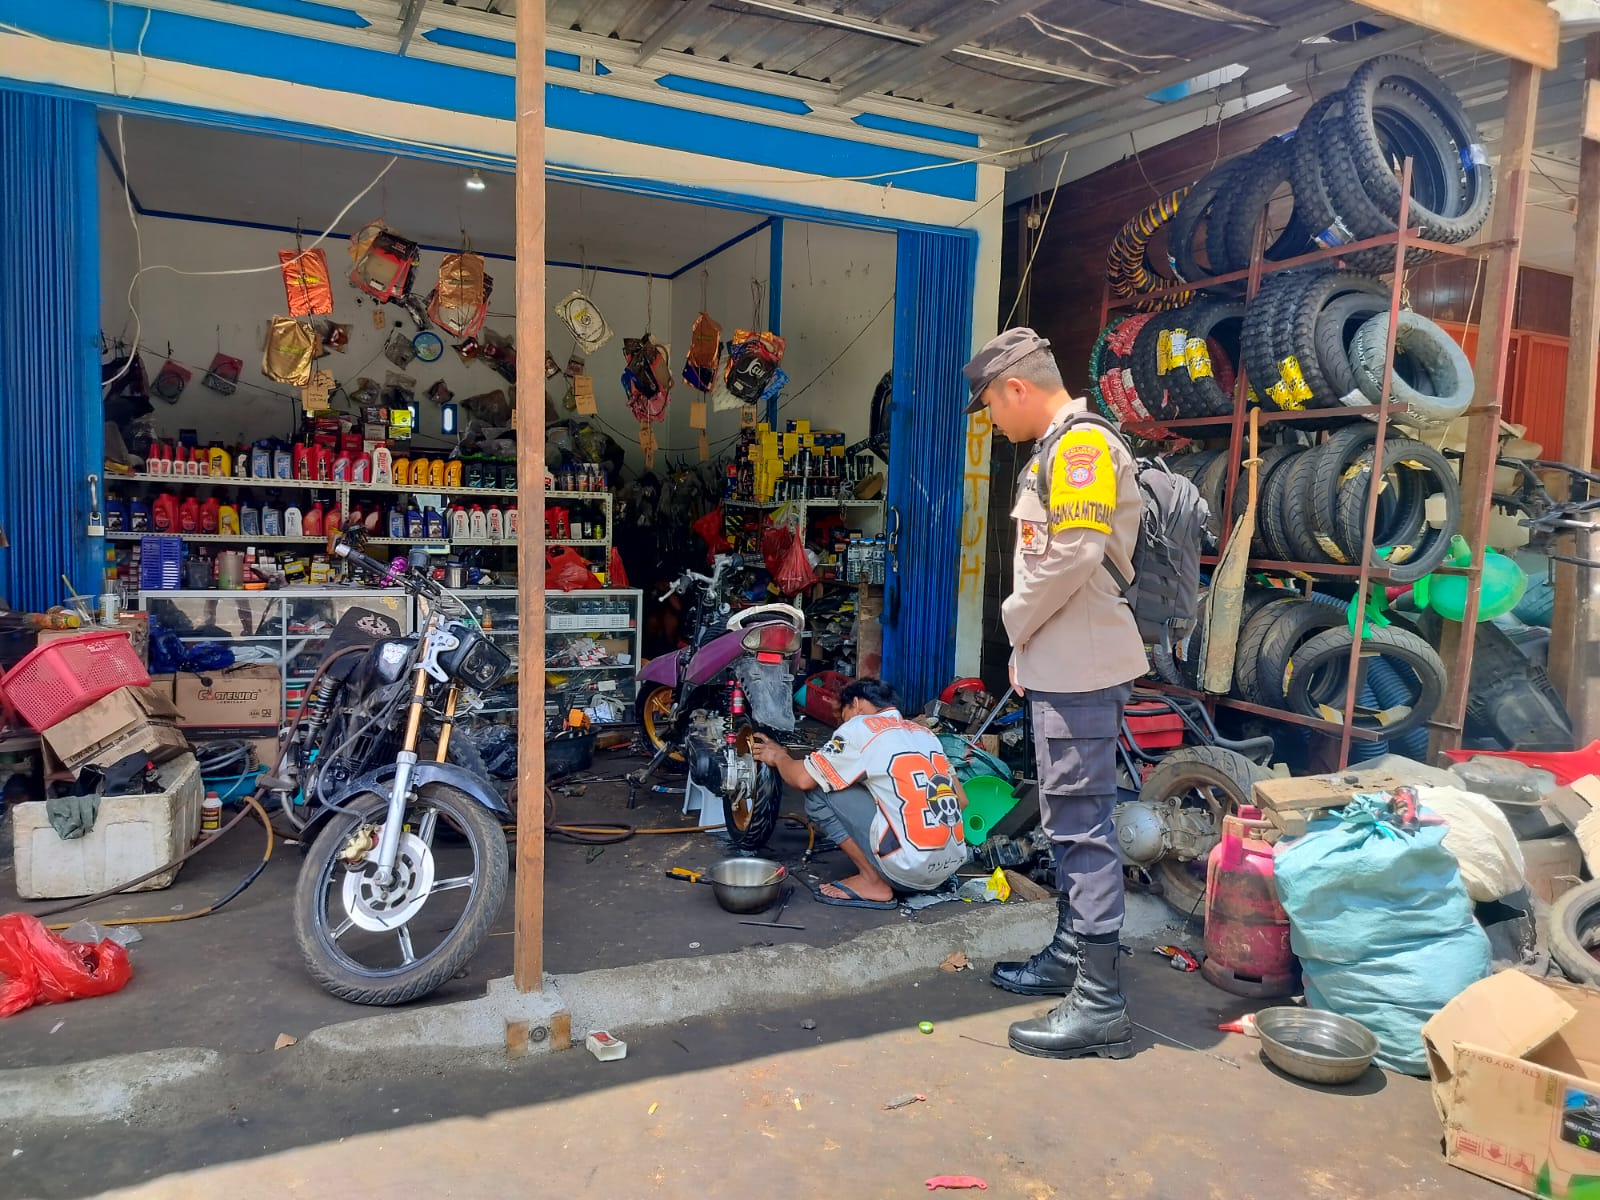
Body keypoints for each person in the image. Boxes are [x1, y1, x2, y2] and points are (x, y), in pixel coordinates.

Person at [962, 327, 1148, 1061]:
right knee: (1070, 824)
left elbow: (1073, 554)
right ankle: (1071, 960)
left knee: (1080, 829)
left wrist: (1013, 623)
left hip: (1082, 668)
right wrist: (1028, 649)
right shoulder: (1059, 448)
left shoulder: (1079, 448)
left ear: (1017, 387)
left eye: (990, 407)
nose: (992, 422)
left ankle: (1101, 1007)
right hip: (1063, 662)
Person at [750, 678, 967, 908]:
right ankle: (908, 863)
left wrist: (779, 756)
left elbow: (803, 779)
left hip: (907, 873)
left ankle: (872, 880)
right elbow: (961, 801)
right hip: (945, 869)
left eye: (843, 717)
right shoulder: (925, 735)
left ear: (855, 704)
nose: (841, 726)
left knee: (819, 788)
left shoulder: (860, 726)